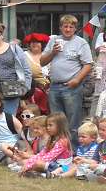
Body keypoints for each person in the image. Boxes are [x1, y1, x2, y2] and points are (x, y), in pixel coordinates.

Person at [40, 15, 93, 146]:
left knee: (72, 123)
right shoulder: (54, 41)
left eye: (71, 27)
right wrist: (53, 52)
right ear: (60, 27)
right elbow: (42, 62)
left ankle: (73, 151)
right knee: (56, 123)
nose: (68, 29)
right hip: (54, 87)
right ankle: (59, 151)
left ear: (75, 28)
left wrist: (77, 80)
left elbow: (88, 64)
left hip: (72, 87)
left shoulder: (81, 42)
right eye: (65, 26)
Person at [18, 112, 72, 177]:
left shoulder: (63, 141)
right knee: (27, 162)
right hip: (52, 164)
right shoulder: (51, 139)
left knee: (38, 163)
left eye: (50, 125)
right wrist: (28, 163)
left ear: (59, 126)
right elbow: (41, 154)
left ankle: (45, 174)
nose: (48, 128)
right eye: (47, 125)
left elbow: (48, 157)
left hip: (64, 167)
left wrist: (29, 165)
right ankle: (40, 174)